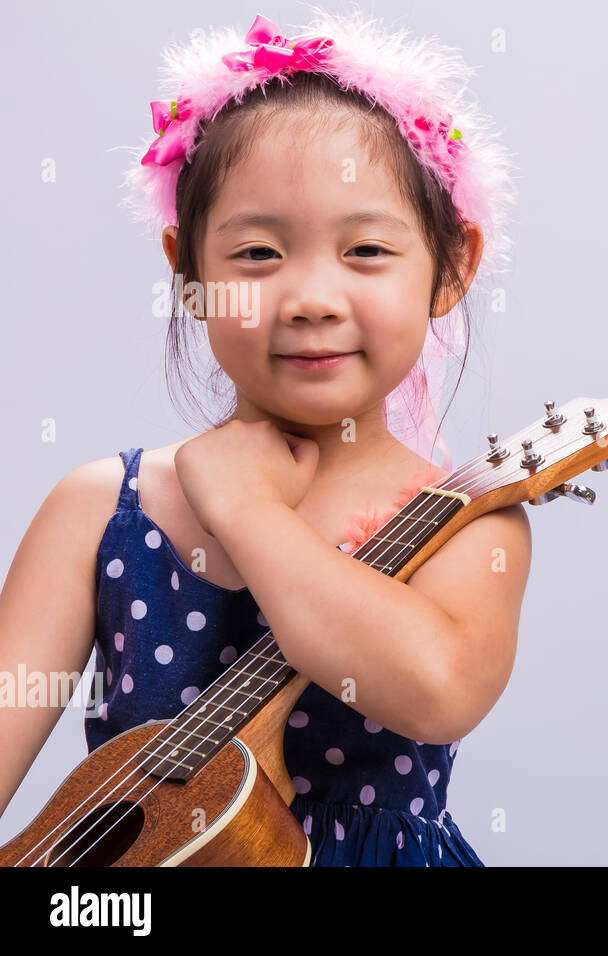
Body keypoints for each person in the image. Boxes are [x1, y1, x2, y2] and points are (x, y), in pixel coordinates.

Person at [0, 8, 530, 866]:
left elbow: (438, 692)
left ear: (452, 267)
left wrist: (248, 511)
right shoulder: (103, 510)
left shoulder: (467, 519)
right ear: (189, 274)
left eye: (364, 250)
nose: (310, 298)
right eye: (255, 255)